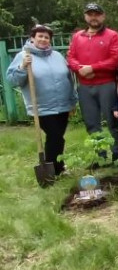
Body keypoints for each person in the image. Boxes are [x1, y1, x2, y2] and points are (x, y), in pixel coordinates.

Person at [6, 24, 77, 176]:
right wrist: (22, 67)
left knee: (57, 138)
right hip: (41, 107)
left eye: (47, 37)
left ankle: (58, 166)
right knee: (56, 137)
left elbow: (69, 79)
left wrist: (72, 101)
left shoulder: (57, 55)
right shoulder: (24, 56)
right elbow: (12, 80)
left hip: (63, 105)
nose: (43, 40)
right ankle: (54, 170)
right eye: (40, 36)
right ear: (32, 38)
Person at [67, 2, 118, 163]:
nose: (93, 17)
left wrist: (92, 68)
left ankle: (116, 155)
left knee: (112, 121)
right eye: (90, 14)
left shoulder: (112, 35)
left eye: (97, 14)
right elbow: (70, 57)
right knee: (92, 123)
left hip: (107, 84)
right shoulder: (78, 36)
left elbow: (116, 60)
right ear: (85, 16)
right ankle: (100, 156)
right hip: (85, 87)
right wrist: (80, 68)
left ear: (103, 16)